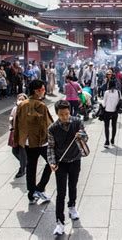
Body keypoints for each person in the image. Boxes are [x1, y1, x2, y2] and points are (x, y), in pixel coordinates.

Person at [48, 100, 88, 235]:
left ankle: (72, 206)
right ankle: (59, 222)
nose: (65, 117)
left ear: (69, 111)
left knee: (73, 185)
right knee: (60, 192)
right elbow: (51, 147)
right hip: (61, 162)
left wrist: (81, 135)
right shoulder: (52, 128)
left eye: (66, 113)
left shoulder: (77, 121)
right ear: (57, 114)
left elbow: (85, 138)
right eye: (61, 115)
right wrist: (52, 162)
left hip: (75, 160)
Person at [14, 80, 54, 204]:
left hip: (26, 141)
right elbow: (48, 125)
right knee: (52, 162)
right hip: (40, 141)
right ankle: (40, 188)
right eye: (42, 89)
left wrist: (18, 140)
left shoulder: (21, 104)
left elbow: (17, 124)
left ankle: (31, 195)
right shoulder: (41, 105)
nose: (44, 91)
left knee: (31, 166)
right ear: (36, 91)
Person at [8, 93, 28, 178]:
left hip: (23, 134)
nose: (20, 100)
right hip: (15, 132)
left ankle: (22, 169)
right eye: (19, 99)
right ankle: (25, 163)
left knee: (22, 152)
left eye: (22, 99)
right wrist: (11, 125)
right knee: (14, 151)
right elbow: (11, 118)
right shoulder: (14, 109)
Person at [102, 80, 120, 147]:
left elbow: (104, 102)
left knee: (106, 126)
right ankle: (112, 139)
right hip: (115, 111)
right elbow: (120, 101)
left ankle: (107, 141)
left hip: (107, 111)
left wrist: (103, 106)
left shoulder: (107, 92)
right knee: (114, 126)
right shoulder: (118, 92)